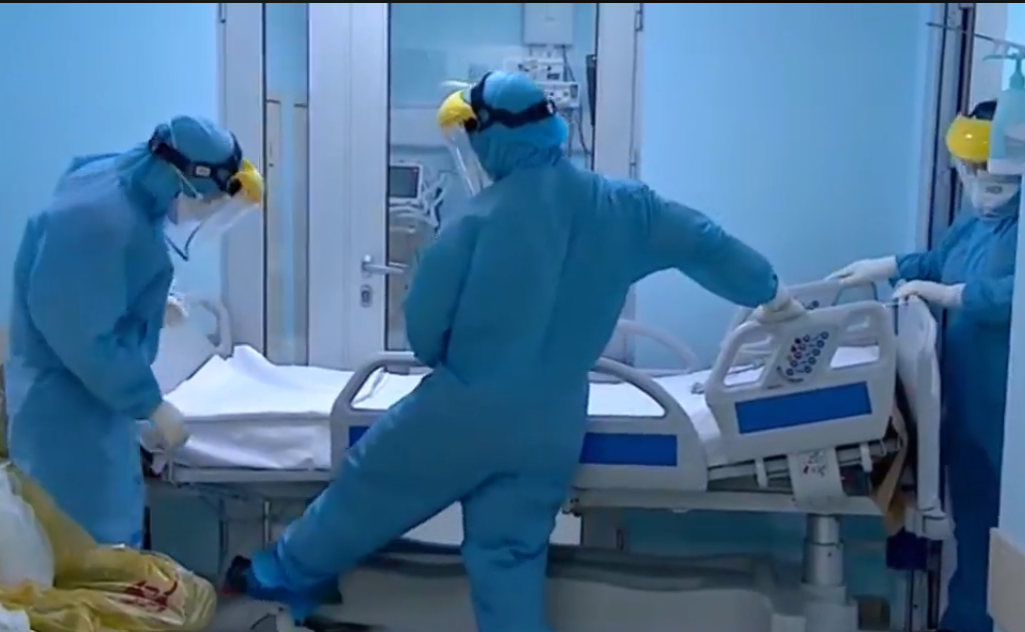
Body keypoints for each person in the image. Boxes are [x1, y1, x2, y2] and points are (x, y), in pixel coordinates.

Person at [228, 71, 806, 632]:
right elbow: (708, 244)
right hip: (553, 424)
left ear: (492, 136)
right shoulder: (629, 208)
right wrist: (774, 297)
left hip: (463, 411)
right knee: (509, 558)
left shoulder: (475, 220)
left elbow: (425, 332)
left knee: (368, 489)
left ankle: (283, 573)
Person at [4, 115, 264, 548]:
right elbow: (81, 334)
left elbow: (87, 284)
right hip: (67, 411)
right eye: (209, 198)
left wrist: (148, 302)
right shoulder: (98, 221)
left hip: (88, 394)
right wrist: (149, 403)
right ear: (184, 176)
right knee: (84, 547)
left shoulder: (122, 176)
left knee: (98, 540)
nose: (205, 208)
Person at [829, 99, 1015, 632]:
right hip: (966, 394)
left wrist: (957, 296)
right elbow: (941, 260)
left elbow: (1015, 293)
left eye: (984, 169)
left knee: (1005, 531)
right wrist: (889, 266)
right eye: (967, 169)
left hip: (1004, 401)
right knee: (975, 526)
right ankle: (967, 621)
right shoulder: (978, 216)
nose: (975, 181)